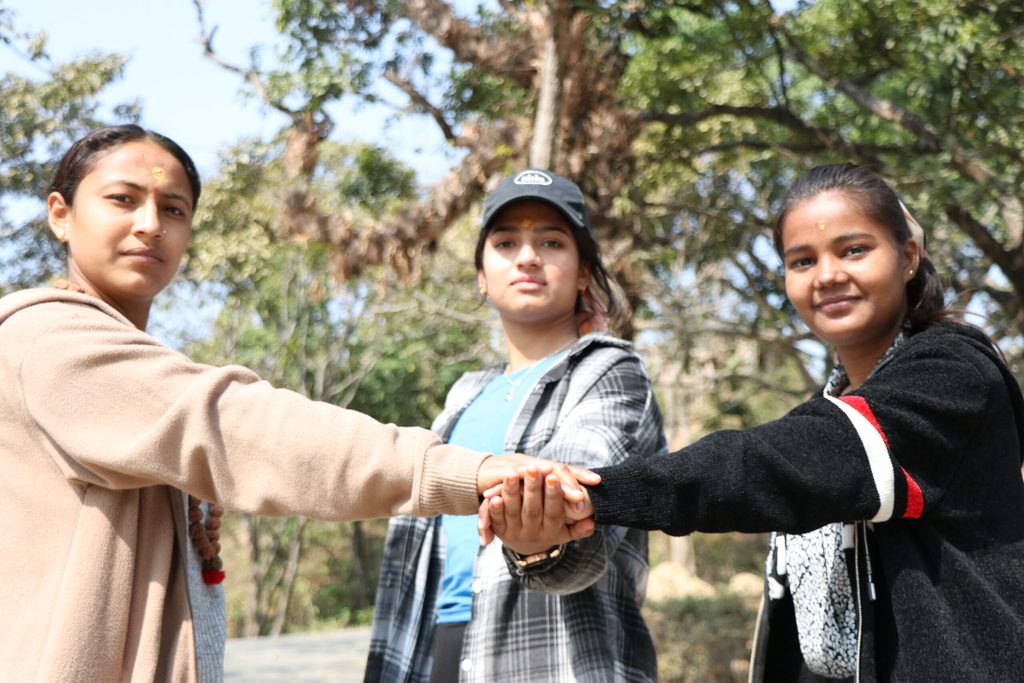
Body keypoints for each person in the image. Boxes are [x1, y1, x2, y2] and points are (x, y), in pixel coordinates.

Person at [0, 126, 593, 682]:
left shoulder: (134, 362)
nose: (151, 224)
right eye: (123, 200)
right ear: (61, 215)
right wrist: (468, 469)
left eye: (173, 209)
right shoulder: (49, 341)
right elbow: (237, 425)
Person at [484, 163, 1024, 681]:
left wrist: (590, 493)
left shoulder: (952, 373)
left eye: (854, 250)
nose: (829, 276)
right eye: (803, 261)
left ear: (908, 256)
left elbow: (774, 466)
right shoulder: (833, 405)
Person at [364, 169, 667, 683]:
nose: (528, 257)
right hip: (432, 643)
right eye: (506, 243)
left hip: (554, 658)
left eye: (551, 241)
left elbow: (578, 509)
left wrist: (542, 532)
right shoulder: (464, 394)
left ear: (583, 272)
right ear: (482, 275)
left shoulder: (610, 372)